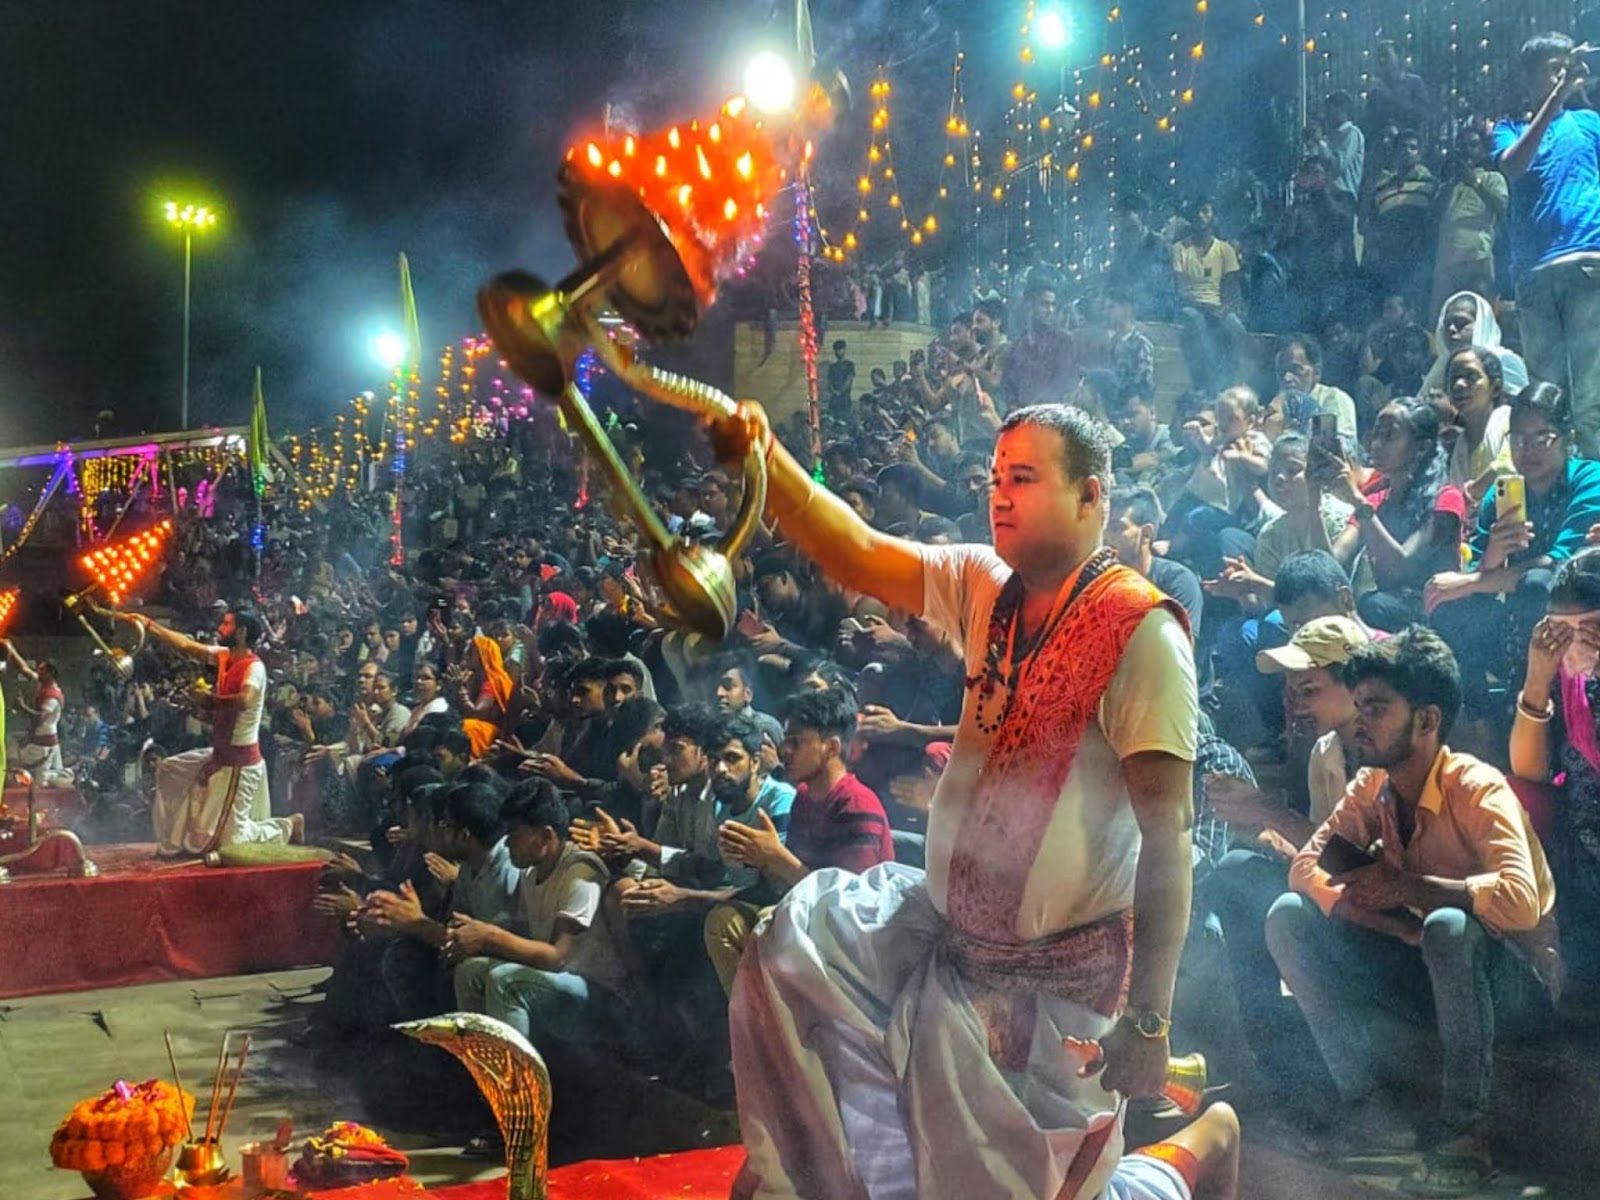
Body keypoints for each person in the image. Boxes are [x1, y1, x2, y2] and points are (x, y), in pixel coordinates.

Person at [709, 397, 1240, 1200]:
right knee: (794, 948)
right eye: (996, 477)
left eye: (1023, 478)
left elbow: (1168, 839)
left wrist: (1152, 1022)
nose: (999, 495)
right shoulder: (985, 585)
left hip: (1058, 990)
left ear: (1093, 495)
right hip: (951, 951)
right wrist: (763, 454)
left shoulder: (1143, 633)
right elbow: (857, 552)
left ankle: (1210, 1138)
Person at [1266, 628, 1559, 1193]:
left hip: (1515, 993)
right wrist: (1384, 920)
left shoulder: (1476, 787)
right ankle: (1371, 1110)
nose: (1358, 722)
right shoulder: (1371, 787)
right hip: (1428, 971)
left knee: (1448, 927)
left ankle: (1466, 1133)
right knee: (1287, 915)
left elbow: (1520, 903)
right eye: (1358, 706)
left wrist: (1410, 889)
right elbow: (1305, 868)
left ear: (1425, 721)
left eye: (1376, 708)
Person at [1427, 382, 1600, 719]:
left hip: (1576, 616)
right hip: (1514, 620)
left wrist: (1476, 581)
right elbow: (1474, 568)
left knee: (1536, 584)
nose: (1529, 449)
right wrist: (1491, 555)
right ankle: (1477, 715)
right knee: (1448, 605)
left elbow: (1562, 567)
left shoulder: (1589, 479)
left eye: (1543, 437)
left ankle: (1535, 703)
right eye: (1519, 439)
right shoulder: (1502, 493)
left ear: (1568, 438)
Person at [450, 778, 629, 1050]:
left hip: (600, 997)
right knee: (470, 971)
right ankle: (483, 1071)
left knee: (505, 981)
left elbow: (557, 958)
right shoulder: (530, 873)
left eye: (515, 833)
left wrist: (489, 936)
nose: (507, 842)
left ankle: (516, 1088)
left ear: (546, 836)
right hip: (557, 986)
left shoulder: (580, 869)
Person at [1495, 32, 1600, 456]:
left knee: (1592, 391)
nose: (1563, 75)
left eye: (1565, 66)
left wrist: (1582, 94)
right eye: (1552, 69)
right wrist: (1559, 95)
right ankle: (1558, 488)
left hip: (1588, 261)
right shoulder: (1511, 129)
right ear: (1529, 80)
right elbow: (1513, 166)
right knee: (1547, 396)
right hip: (1535, 274)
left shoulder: (1590, 123)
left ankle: (1594, 494)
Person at [125, 606, 302, 857]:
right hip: (220, 756)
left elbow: (245, 699)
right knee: (169, 769)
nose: (220, 628)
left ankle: (287, 826)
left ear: (241, 632)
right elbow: (187, 647)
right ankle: (176, 833)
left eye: (227, 624)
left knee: (230, 841)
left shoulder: (255, 668)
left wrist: (208, 699)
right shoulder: (223, 657)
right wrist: (149, 625)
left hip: (239, 766)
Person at [1510, 548, 1600, 998]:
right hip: (1583, 853)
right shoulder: (1568, 682)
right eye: (1560, 631)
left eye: (1590, 626)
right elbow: (1528, 769)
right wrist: (1537, 676)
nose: (1576, 642)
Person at [1313, 398, 1466, 631]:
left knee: (1371, 605)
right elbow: (1331, 563)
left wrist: (1357, 501)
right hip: (1384, 613)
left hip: (1435, 620)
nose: (1376, 444)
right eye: (1376, 434)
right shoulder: (1375, 499)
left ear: (1422, 447)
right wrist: (1310, 502)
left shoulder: (1446, 498)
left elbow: (1402, 568)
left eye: (1389, 436)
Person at [1432, 127, 1509, 314]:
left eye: (1473, 145)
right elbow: (1434, 215)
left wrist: (1474, 183)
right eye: (1462, 147)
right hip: (1446, 263)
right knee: (1443, 318)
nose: (1467, 150)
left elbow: (1502, 207)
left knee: (1479, 314)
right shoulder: (1447, 185)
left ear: (1482, 150)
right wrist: (1451, 182)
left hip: (1477, 258)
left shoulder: (1492, 178)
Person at [1172, 198, 1245, 394]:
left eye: (1205, 211)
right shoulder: (1180, 249)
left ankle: (1229, 384)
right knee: (1196, 322)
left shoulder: (1225, 250)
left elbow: (1233, 291)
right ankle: (1204, 384)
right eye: (1196, 211)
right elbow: (1181, 291)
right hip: (1191, 307)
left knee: (1236, 328)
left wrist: (1224, 309)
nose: (1200, 216)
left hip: (1217, 307)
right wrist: (1205, 308)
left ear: (1214, 217)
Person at [1418, 291, 1530, 401]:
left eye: (1461, 322)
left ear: (1481, 324)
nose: (1451, 329)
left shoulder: (1504, 362)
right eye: (1447, 324)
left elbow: (1523, 409)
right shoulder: (1439, 368)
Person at [2, 643, 66, 783]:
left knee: (39, 781)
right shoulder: (43, 684)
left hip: (43, 746)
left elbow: (40, 719)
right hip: (37, 740)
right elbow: (25, 669)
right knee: (10, 739)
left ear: (50, 673)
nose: (38, 671)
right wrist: (12, 649)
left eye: (42, 670)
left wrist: (22, 707)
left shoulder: (52, 696)